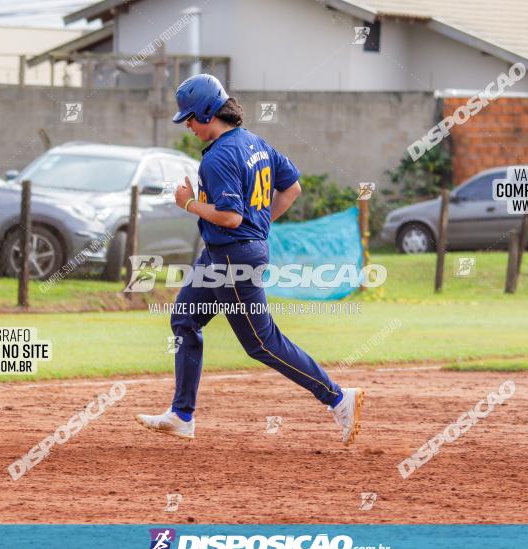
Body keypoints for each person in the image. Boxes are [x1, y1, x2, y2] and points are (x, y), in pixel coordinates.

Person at [134, 74, 364, 446]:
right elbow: (292, 188)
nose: (188, 126)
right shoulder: (255, 143)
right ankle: (181, 414)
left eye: (190, 118)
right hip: (221, 255)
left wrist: (189, 204)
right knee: (185, 319)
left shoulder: (219, 157)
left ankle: (338, 399)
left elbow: (230, 217)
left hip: (232, 257)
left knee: (262, 342)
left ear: (209, 113)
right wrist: (261, 224)